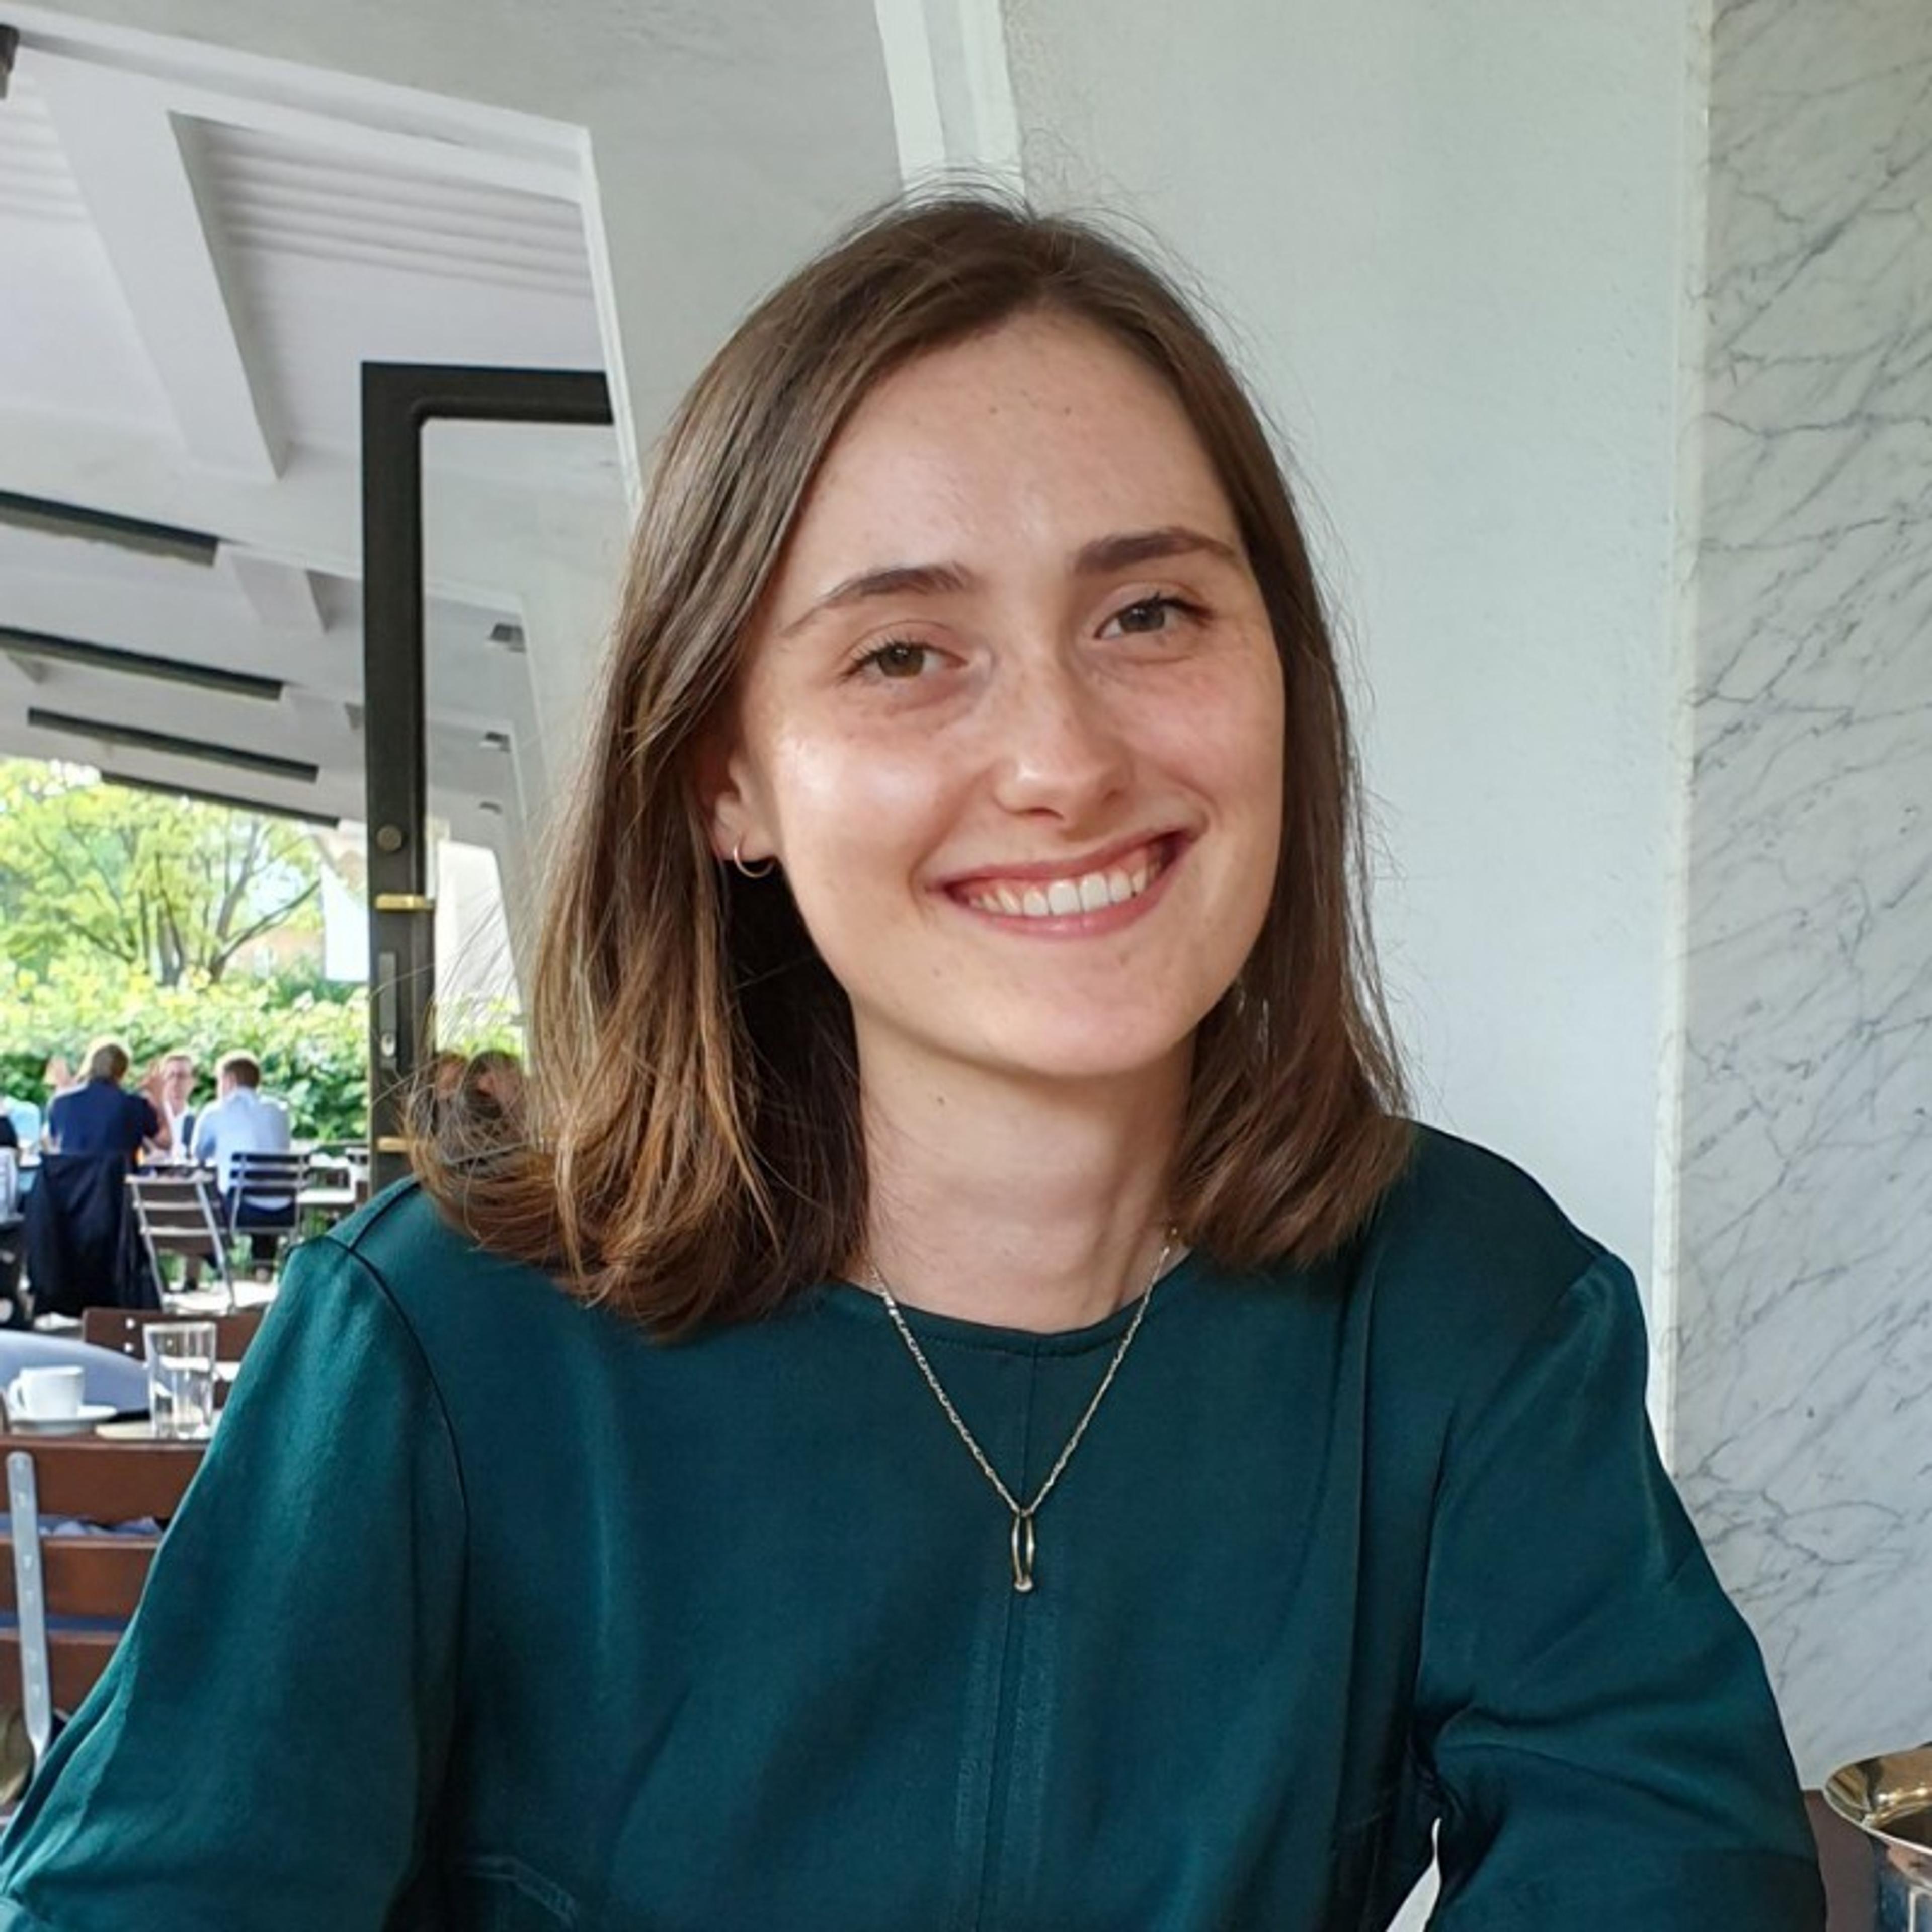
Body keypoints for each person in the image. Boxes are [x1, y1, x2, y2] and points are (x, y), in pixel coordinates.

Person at [0, 194, 1825, 1929]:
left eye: (1149, 613)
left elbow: (1672, 1861)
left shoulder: (1466, 1309)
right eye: (902, 653)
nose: (1062, 761)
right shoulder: (444, 1342)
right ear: (725, 775)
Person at [191, 1052, 294, 1264]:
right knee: (262, 1189)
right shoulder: (279, 1111)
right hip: (286, 1211)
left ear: (230, 1080)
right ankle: (263, 1269)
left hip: (239, 1211)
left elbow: (198, 1153)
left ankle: (214, 1263)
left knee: (206, 1196)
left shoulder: (216, 1112)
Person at [40, 1039, 168, 1164]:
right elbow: (166, 1141)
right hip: (119, 1178)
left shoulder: (60, 1104)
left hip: (71, 1178)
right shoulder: (135, 1106)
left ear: (90, 1067)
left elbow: (54, 1145)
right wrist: (158, 1096)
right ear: (123, 1072)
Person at [149, 1050, 197, 1161]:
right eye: (171, 1076)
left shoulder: (198, 1121)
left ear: (193, 1082)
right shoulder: (149, 1118)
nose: (176, 1082)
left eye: (182, 1076)